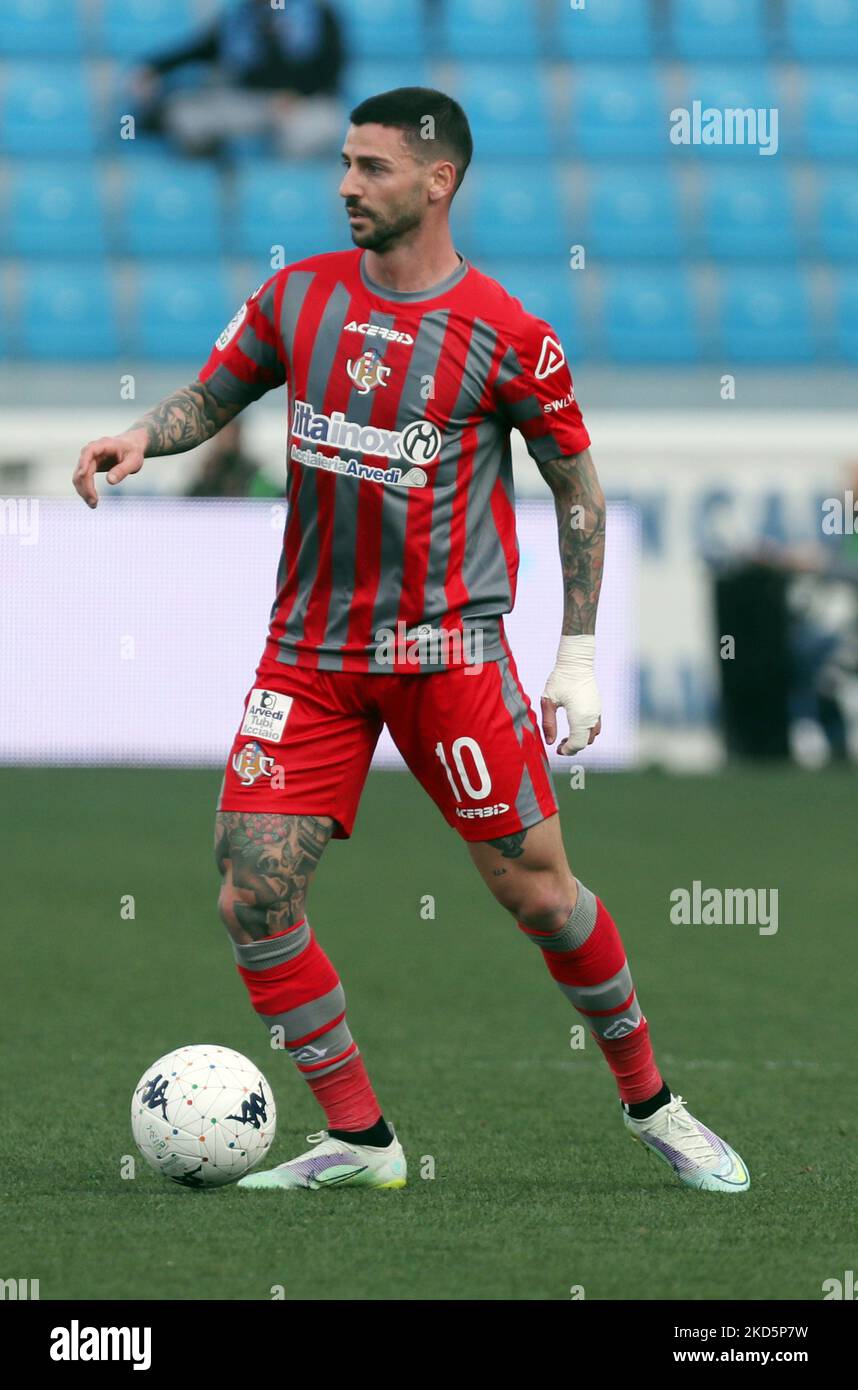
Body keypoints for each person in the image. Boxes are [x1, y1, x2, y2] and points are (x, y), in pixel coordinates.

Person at [74, 88, 749, 1195]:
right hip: (308, 656)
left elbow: (576, 487)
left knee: (540, 896)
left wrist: (573, 650)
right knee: (253, 891)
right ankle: (362, 1139)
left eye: (373, 167)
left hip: (449, 661)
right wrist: (141, 437)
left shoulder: (508, 334)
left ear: (439, 182)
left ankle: (653, 1102)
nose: (346, 183)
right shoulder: (298, 297)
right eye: (345, 162)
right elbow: (215, 393)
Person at [133, 0, 343, 159]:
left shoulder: (318, 15)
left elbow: (332, 68)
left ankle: (275, 193)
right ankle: (215, 178)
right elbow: (200, 49)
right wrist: (153, 68)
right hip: (250, 104)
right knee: (187, 118)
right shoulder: (239, 20)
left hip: (305, 106)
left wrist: (297, 96)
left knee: (304, 134)